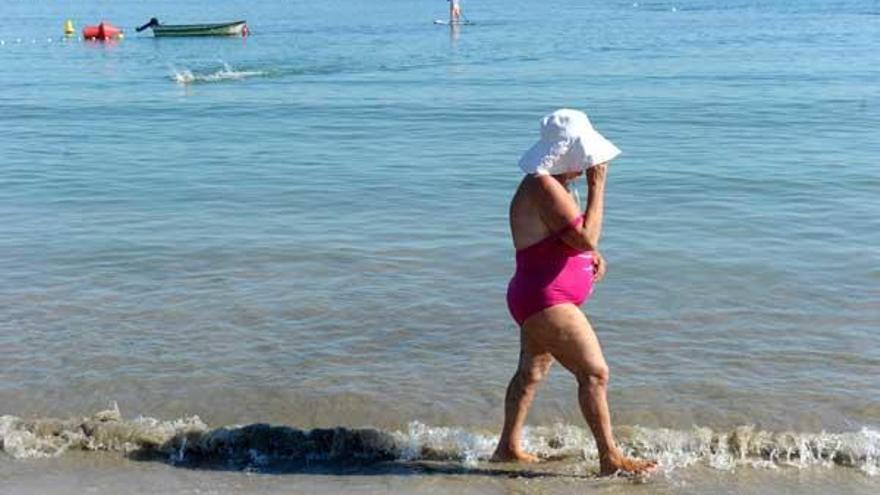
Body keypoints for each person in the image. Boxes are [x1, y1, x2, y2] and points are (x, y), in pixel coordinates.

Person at [491, 109, 657, 476]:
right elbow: (584, 236)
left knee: (530, 373)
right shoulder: (543, 185)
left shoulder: (554, 186)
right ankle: (610, 457)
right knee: (595, 373)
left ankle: (507, 447)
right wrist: (599, 188)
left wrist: (591, 257)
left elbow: (568, 241)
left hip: (540, 295)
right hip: (546, 298)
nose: (588, 164)